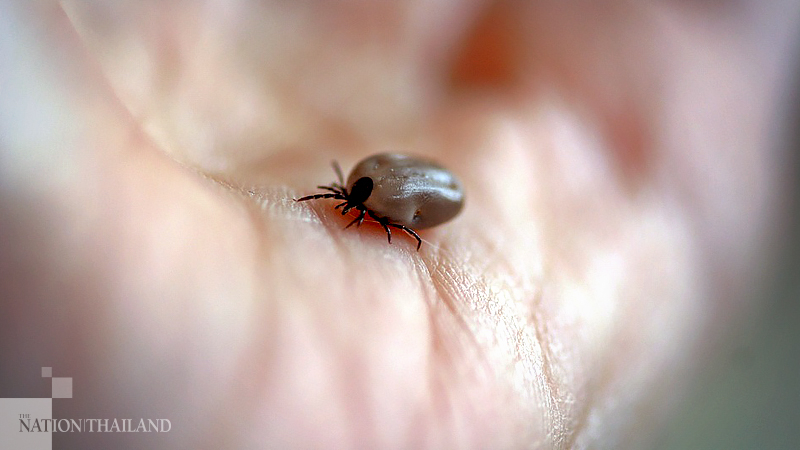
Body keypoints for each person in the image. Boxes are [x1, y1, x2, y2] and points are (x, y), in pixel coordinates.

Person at [1, 1, 797, 448]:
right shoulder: (369, 195)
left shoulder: (373, 192)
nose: (347, 215)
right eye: (351, 208)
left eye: (352, 209)